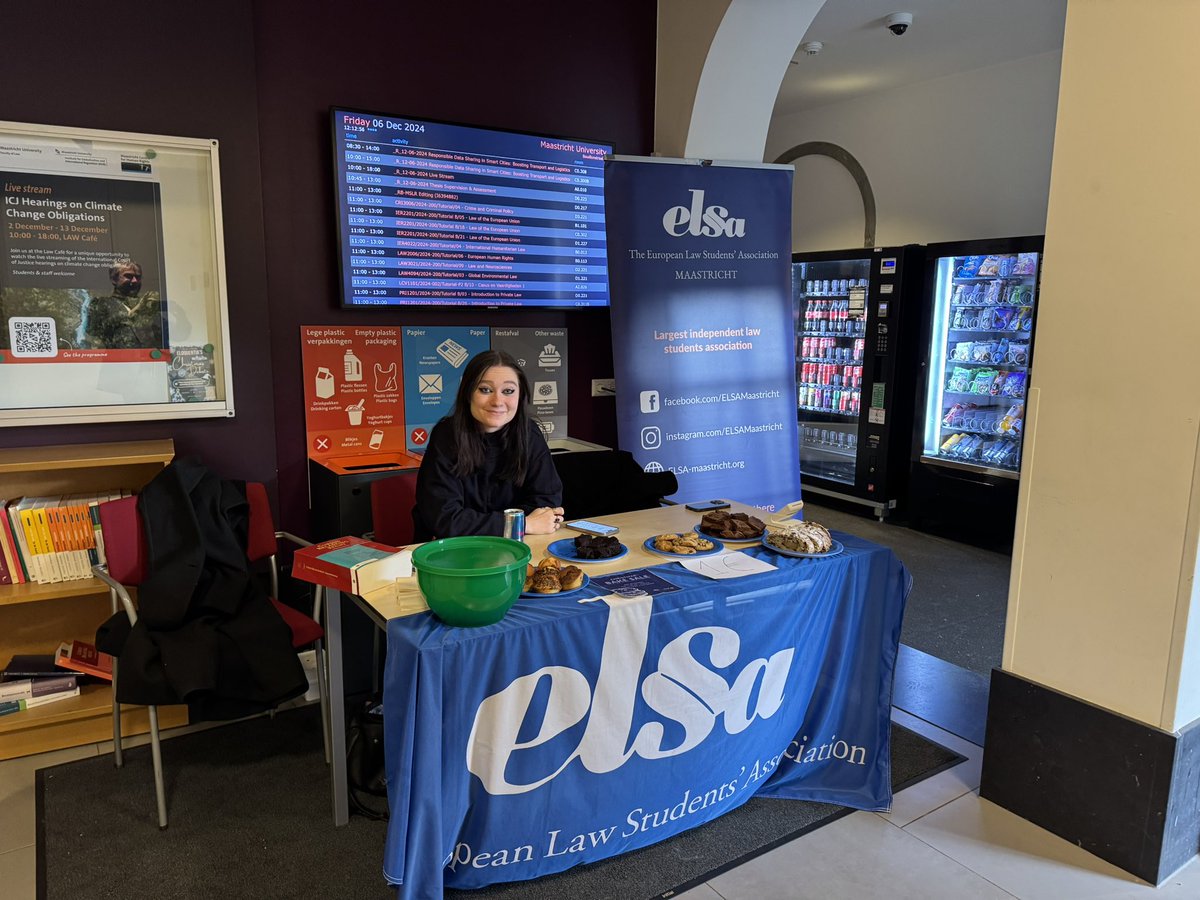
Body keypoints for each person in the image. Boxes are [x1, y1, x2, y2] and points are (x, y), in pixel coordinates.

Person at [413, 349, 564, 541]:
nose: (497, 401)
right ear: (468, 393)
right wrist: (523, 523)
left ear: (520, 396)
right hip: (453, 550)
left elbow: (546, 505)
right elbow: (446, 520)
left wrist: (514, 524)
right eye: (485, 390)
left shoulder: (529, 433)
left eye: (508, 391)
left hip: (517, 544)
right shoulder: (446, 435)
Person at [75, 258, 163, 349]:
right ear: (114, 279)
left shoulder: (147, 306)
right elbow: (92, 331)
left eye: (138, 277)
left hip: (148, 360)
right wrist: (138, 310)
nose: (134, 281)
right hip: (117, 360)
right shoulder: (100, 303)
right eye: (129, 276)